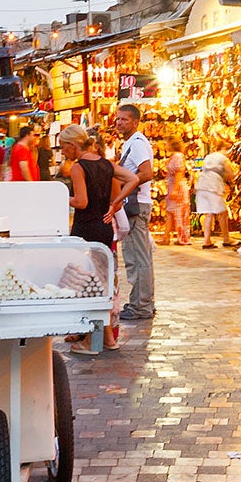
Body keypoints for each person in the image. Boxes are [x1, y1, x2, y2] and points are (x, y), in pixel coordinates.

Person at [59, 123, 134, 350]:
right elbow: (133, 178)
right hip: (104, 228)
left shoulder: (78, 167)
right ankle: (108, 338)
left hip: (85, 228)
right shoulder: (105, 164)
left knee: (85, 282)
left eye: (63, 147)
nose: (62, 152)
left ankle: (91, 338)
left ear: (73, 146)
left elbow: (81, 202)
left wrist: (60, 195)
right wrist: (115, 202)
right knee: (103, 282)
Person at [111, 104, 157, 323]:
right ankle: (144, 302)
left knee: (137, 258)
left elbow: (147, 172)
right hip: (137, 203)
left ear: (136, 122)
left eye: (124, 120)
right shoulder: (132, 143)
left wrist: (128, 184)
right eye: (118, 119)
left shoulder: (137, 144)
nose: (119, 123)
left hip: (136, 204)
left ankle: (141, 306)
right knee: (141, 256)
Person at [194, 149, 233, 246]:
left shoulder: (208, 157)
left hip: (201, 184)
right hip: (213, 185)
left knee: (209, 214)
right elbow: (231, 173)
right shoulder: (223, 158)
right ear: (225, 149)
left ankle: (207, 241)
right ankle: (226, 239)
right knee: (223, 213)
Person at [161, 135, 191, 246]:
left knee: (178, 212)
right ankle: (166, 237)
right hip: (172, 186)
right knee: (170, 211)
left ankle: (178, 237)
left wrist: (175, 189)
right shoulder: (174, 156)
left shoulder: (178, 156)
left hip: (177, 188)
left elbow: (179, 172)